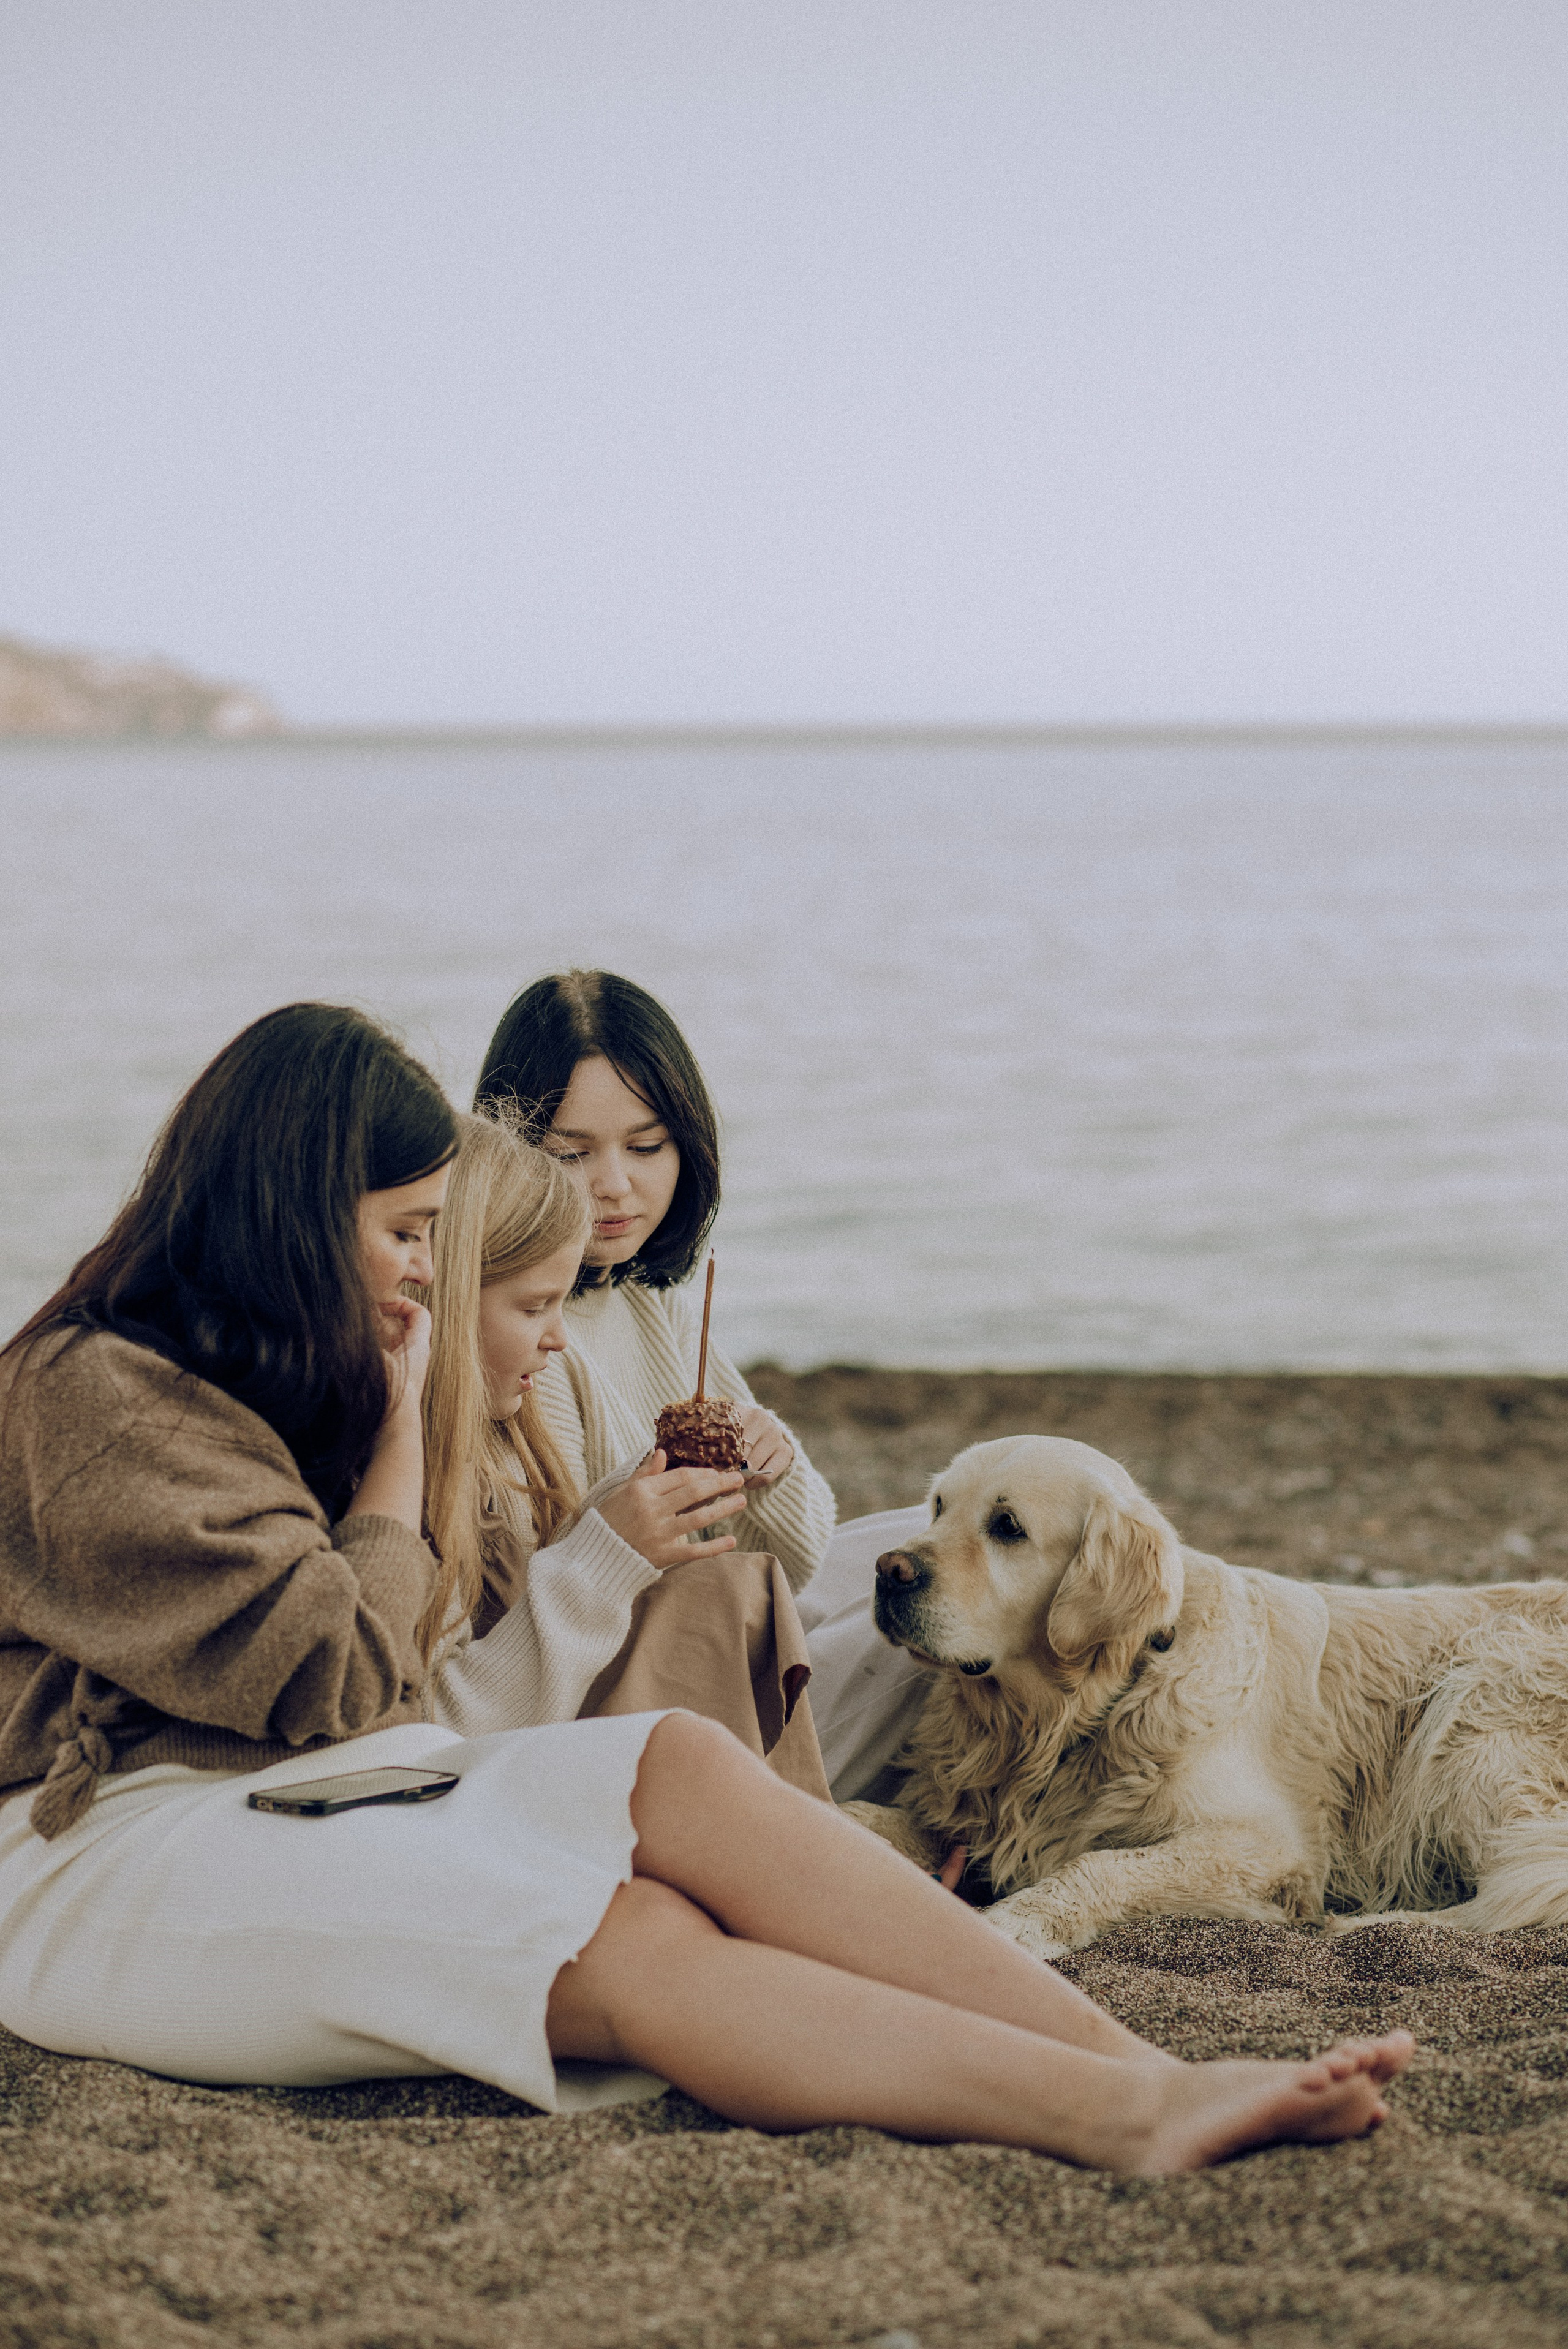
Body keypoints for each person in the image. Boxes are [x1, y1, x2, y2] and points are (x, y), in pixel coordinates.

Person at [0, 1002, 1414, 2165]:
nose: (427, 1272)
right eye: (408, 1231)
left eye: (437, 1234)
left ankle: (1145, 2071)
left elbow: (382, 1683)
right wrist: (397, 1436)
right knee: (629, 1938)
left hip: (307, 1792)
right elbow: (339, 1678)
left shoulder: (285, 1369)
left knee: (677, 1760)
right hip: (109, 1854)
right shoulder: (101, 1393)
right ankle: (1114, 2118)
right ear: (295, 1216)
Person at [473, 970, 942, 1800]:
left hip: (713, 1639)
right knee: (940, 1619)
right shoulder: (522, 1340)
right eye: (572, 1153)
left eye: (646, 1146)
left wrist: (770, 1465)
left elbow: (788, 1562)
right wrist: (639, 1509)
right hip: (625, 1712)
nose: (614, 1183)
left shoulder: (650, 1302)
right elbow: (540, 1603)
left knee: (937, 1539)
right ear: (508, 1152)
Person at [421, 1108, 828, 1792]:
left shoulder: (524, 1403)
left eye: (645, 1145)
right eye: (535, 1307)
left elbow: (791, 1561)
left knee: (734, 1588)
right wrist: (607, 1550)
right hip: (501, 1777)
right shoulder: (416, 1468)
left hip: (547, 1735)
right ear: (448, 1296)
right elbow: (437, 1726)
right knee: (720, 1596)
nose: (560, 1337)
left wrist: (661, 1495)